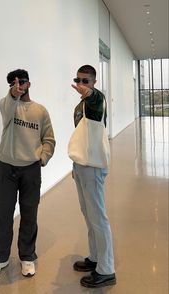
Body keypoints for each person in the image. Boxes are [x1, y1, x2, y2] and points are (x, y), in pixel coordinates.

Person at [0, 69, 55, 278]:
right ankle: (0, 257)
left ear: (29, 84)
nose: (18, 86)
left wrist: (42, 158)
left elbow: (49, 139)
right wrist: (12, 96)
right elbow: (7, 108)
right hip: (5, 167)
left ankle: (27, 256)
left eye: (22, 82)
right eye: (13, 84)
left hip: (30, 170)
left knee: (29, 214)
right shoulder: (7, 106)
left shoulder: (40, 111)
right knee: (3, 214)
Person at [70, 65, 116, 288]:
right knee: (88, 213)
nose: (81, 84)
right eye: (78, 79)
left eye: (86, 80)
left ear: (94, 82)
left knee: (98, 216)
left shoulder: (97, 100)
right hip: (81, 165)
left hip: (93, 166)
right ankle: (96, 257)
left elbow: (97, 99)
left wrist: (91, 94)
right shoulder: (80, 105)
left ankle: (107, 270)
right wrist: (75, 165)